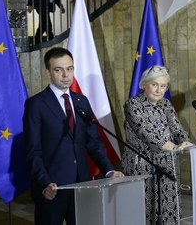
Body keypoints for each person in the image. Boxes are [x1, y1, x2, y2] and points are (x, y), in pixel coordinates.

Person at [23, 47, 123, 225]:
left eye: (69, 69)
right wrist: (45, 183)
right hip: (53, 188)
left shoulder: (81, 101)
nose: (65, 75)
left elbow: (93, 143)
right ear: (48, 72)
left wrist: (109, 170)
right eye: (58, 69)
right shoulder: (36, 104)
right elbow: (33, 151)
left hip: (82, 185)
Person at [121, 65, 193, 225]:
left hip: (166, 165)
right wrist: (173, 147)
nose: (159, 90)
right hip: (140, 166)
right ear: (144, 84)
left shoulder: (165, 104)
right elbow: (145, 133)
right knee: (144, 211)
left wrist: (184, 141)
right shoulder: (132, 105)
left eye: (163, 86)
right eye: (155, 85)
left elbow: (176, 127)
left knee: (167, 210)